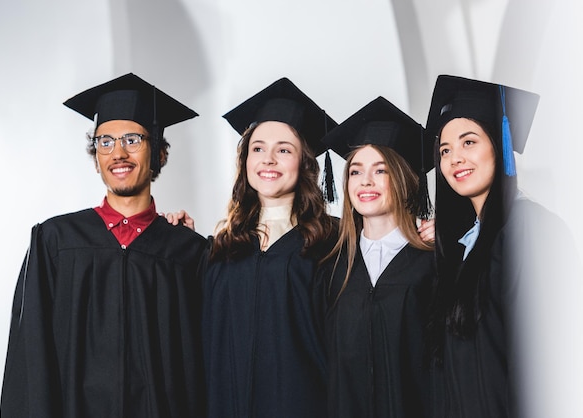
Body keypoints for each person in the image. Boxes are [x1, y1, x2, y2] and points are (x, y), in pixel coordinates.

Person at [0, 73, 208, 418]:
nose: (118, 153)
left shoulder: (187, 253)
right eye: (105, 142)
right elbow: (29, 357)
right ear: (95, 155)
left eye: (132, 139)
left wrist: (181, 241)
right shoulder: (56, 241)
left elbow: (203, 366)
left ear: (158, 151)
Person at [424, 74, 581, 417]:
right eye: (445, 150)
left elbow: (550, 359)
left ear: (499, 143)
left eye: (469, 142)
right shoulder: (462, 246)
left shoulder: (532, 230)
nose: (454, 159)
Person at [201, 77, 338, 418]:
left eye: (284, 150)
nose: (269, 159)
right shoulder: (222, 248)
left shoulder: (332, 242)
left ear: (304, 163)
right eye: (258, 148)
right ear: (245, 160)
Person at [317, 96, 437, 417]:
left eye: (380, 170)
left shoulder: (432, 261)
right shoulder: (331, 266)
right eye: (355, 172)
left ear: (405, 178)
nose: (365, 181)